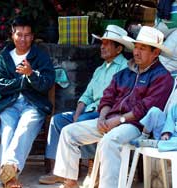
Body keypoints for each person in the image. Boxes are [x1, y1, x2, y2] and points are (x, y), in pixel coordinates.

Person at [52, 25, 174, 188]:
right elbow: (107, 97)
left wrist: (118, 120)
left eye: (142, 49)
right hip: (110, 120)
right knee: (69, 132)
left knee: (109, 141)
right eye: (136, 47)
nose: (136, 52)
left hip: (136, 126)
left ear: (155, 52)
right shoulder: (125, 72)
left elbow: (144, 109)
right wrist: (102, 117)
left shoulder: (163, 77)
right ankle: (70, 183)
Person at [39, 24, 134, 185]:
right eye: (102, 43)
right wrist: (76, 113)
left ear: (118, 49)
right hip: (89, 111)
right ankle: (59, 171)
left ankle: (93, 168)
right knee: (58, 120)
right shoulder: (100, 69)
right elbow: (86, 95)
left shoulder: (125, 68)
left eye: (107, 44)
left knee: (83, 121)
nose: (102, 47)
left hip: (107, 114)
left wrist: (81, 117)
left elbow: (121, 100)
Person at [0, 16, 55, 188]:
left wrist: (31, 74)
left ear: (32, 36)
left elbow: (46, 83)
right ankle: (10, 177)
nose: (23, 39)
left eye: (27, 35)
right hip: (9, 104)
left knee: (25, 127)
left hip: (33, 104)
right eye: (19, 35)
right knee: (7, 131)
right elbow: (0, 86)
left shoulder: (40, 57)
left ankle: (9, 171)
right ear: (12, 35)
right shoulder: (4, 57)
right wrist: (24, 80)